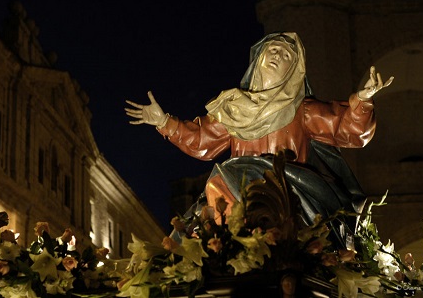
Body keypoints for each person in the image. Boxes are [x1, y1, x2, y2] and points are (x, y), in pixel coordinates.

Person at [125, 32, 393, 244]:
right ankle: (229, 244)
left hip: (289, 187)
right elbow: (202, 141)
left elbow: (346, 129)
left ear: (293, 70)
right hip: (237, 191)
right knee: (188, 233)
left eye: (286, 55)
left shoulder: (303, 110)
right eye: (272, 50)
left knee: (227, 174)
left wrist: (362, 102)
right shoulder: (234, 108)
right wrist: (164, 122)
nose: (277, 56)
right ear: (259, 59)